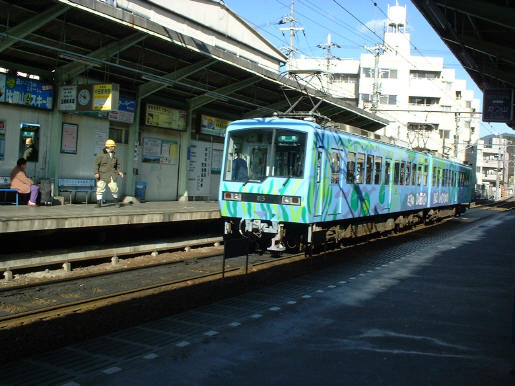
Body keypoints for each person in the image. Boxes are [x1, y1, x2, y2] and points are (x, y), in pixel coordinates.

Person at [94, 139, 124, 207]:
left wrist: (119, 172)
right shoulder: (101, 154)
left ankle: (116, 202)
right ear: (109, 147)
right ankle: (99, 203)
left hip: (112, 174)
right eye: (113, 146)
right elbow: (96, 164)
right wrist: (96, 173)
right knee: (100, 188)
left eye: (114, 146)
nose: (114, 147)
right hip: (102, 174)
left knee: (114, 188)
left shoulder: (115, 155)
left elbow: (117, 165)